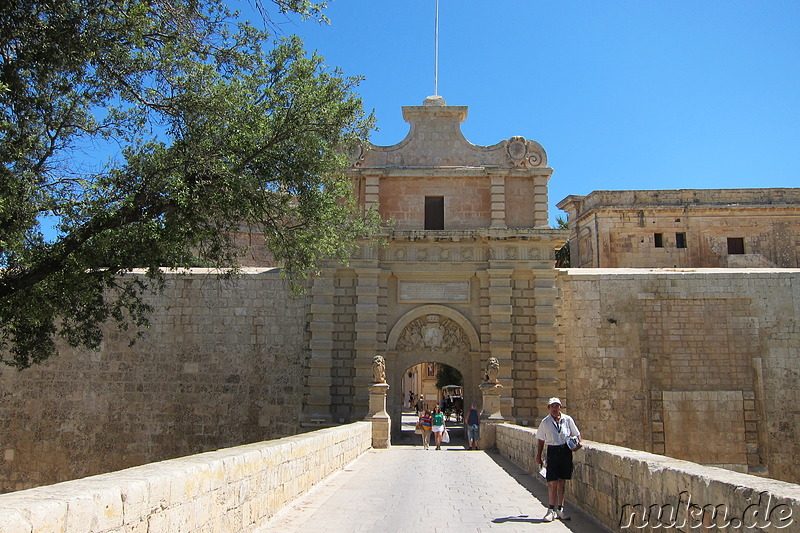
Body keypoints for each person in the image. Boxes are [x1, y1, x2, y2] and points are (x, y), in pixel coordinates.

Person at [535, 397, 581, 522]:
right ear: (549, 408)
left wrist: (577, 445)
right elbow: (540, 439)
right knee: (552, 482)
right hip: (553, 451)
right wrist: (538, 456)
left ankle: (560, 509)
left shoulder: (567, 419)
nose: (555, 408)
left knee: (562, 482)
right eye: (552, 406)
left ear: (560, 407)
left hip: (565, 451)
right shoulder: (545, 422)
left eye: (557, 406)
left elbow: (577, 434)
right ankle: (551, 510)